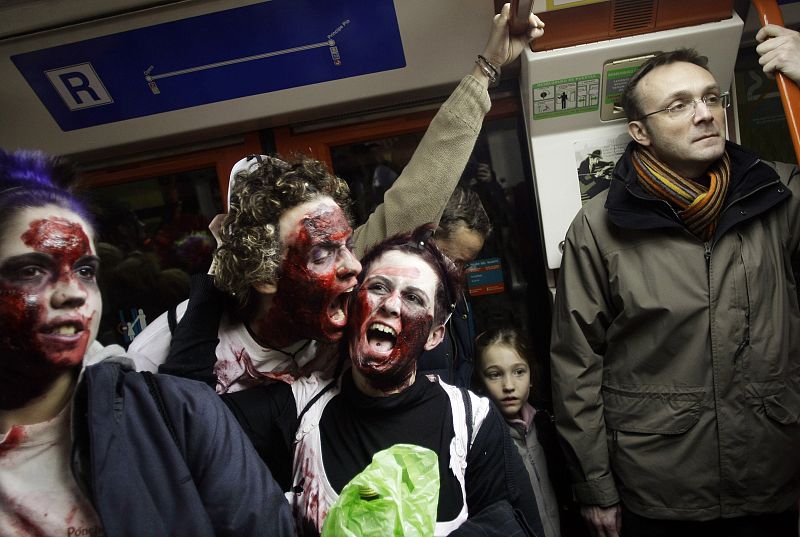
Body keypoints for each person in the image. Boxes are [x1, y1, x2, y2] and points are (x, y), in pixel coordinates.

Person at [127, 4, 546, 393]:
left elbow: (416, 198)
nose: (353, 265)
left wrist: (486, 69)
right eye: (324, 252)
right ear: (267, 273)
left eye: (347, 244)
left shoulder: (342, 290)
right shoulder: (164, 352)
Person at [549, 36, 800, 537]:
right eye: (679, 105)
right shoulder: (599, 228)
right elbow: (576, 366)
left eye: (711, 98)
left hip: (771, 472)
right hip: (661, 487)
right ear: (640, 132)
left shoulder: (780, 194)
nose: (704, 113)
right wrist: (595, 488)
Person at [163, 224, 545, 536]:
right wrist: (216, 281)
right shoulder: (298, 412)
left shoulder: (471, 421)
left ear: (434, 335)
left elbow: (521, 526)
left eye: (413, 297)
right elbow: (180, 425)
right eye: (378, 287)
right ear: (352, 305)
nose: (391, 304)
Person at [0, 149, 293, 536]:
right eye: (33, 269)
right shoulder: (159, 355)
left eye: (86, 271)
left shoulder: (175, 413)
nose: (72, 293)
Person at [473, 327, 561, 537]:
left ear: (531, 376)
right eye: (495, 375)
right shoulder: (484, 444)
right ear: (480, 383)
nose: (509, 386)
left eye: (519, 372)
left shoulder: (546, 428)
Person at [419, 185, 492, 386]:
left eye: (466, 264)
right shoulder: (405, 302)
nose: (460, 272)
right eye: (454, 260)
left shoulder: (456, 296)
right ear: (429, 240)